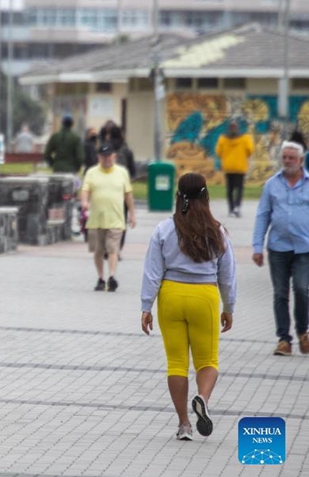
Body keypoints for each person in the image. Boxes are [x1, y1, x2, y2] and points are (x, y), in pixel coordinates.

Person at [141, 172, 236, 441]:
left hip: (170, 296)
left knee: (176, 364)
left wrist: (146, 305)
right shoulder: (217, 231)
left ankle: (184, 424)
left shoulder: (164, 229)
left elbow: (152, 271)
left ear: (178, 197)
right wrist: (229, 306)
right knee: (208, 362)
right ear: (206, 196)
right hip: (204, 297)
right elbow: (227, 274)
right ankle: (202, 398)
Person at [252, 140, 309, 356]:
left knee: (303, 289)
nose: (287, 161)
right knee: (280, 293)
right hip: (278, 248)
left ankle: (304, 332)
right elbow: (262, 216)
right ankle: (284, 339)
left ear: (301, 160)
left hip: (305, 248)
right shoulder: (271, 185)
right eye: (284, 157)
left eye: (291, 158)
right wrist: (257, 246)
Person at [80, 144, 135, 291]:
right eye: (104, 156)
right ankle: (100, 278)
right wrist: (85, 202)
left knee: (113, 249)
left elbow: (128, 194)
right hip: (97, 219)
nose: (107, 159)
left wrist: (132, 215)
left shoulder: (122, 172)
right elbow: (85, 190)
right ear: (99, 158)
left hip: (116, 218)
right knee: (98, 250)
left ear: (114, 157)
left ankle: (111, 277)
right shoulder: (91, 172)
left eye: (109, 156)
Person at [216, 120, 254, 217]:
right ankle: (237, 207)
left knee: (230, 188)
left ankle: (231, 208)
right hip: (240, 167)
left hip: (228, 167)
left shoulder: (223, 139)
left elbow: (218, 152)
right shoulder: (245, 138)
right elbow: (250, 150)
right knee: (239, 188)